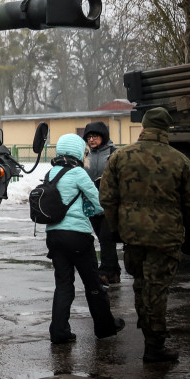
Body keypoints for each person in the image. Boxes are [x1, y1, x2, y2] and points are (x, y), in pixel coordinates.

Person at [100, 107, 190, 363]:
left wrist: (114, 229)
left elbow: (108, 197)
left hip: (132, 236)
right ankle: (154, 346)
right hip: (166, 238)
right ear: (166, 129)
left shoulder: (121, 157)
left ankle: (149, 332)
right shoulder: (180, 160)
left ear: (144, 128)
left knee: (140, 284)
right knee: (157, 290)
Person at [43, 134, 125, 344]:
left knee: (63, 285)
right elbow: (98, 203)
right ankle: (105, 327)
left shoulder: (51, 172)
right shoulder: (78, 172)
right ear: (78, 151)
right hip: (77, 236)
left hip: (54, 236)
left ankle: (59, 332)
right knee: (93, 283)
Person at [83, 121, 120, 284]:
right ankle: (114, 272)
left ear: (103, 136)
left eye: (95, 136)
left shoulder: (113, 153)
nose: (91, 140)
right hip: (92, 203)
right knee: (103, 238)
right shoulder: (86, 155)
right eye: (89, 137)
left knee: (106, 237)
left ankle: (105, 271)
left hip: (110, 204)